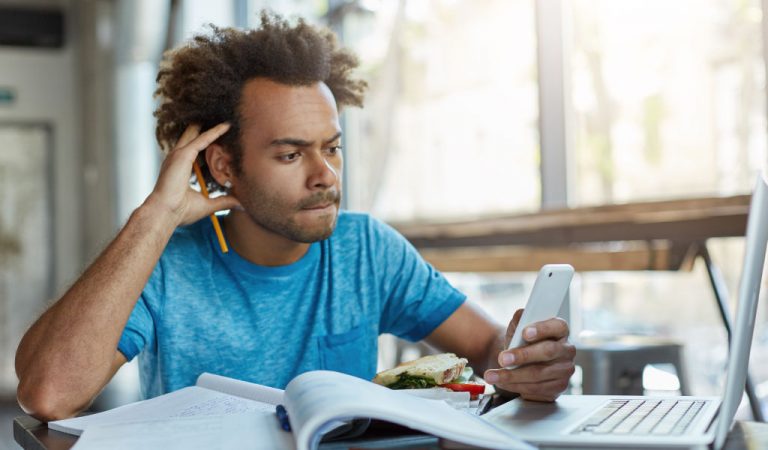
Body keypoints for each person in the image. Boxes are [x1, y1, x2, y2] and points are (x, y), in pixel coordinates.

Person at [15, 11, 575, 421]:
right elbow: (49, 394)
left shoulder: (367, 250)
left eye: (331, 147)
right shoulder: (162, 262)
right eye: (290, 154)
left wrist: (527, 363)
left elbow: (488, 350)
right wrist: (154, 216)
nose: (325, 175)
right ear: (223, 164)